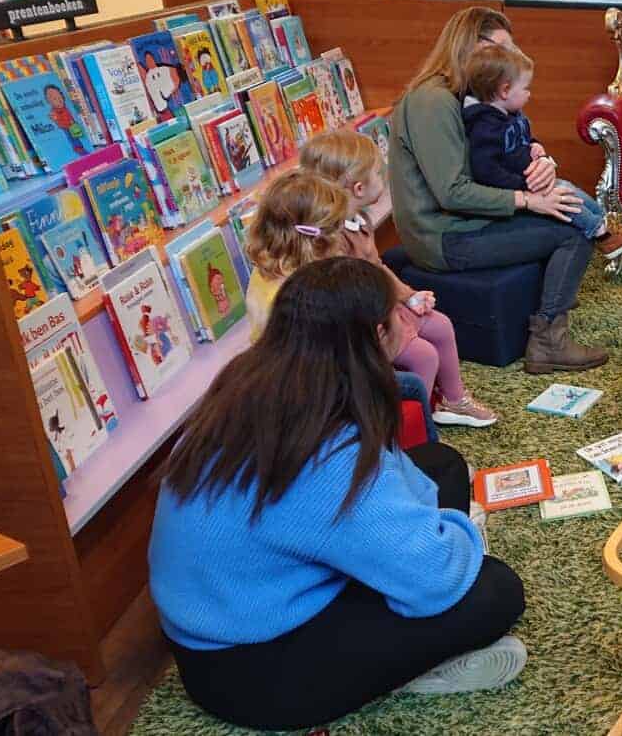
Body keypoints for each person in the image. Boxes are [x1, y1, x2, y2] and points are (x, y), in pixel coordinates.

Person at [149, 258, 526, 731]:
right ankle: (402, 673)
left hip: (236, 610)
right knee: (494, 589)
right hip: (252, 670)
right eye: (397, 315)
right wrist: (456, 538)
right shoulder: (330, 451)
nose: (407, 322)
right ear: (374, 334)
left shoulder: (256, 377)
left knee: (443, 464)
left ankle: (392, 595)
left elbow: (390, 476)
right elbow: (435, 575)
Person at [389, 6, 606, 374]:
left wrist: (543, 162)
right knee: (571, 232)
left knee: (564, 206)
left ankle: (550, 315)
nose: (508, 57)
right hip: (444, 236)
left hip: (469, 220)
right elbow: (452, 192)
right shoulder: (433, 101)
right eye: (501, 47)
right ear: (471, 45)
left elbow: (509, 140)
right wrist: (528, 200)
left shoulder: (471, 94)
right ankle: (548, 342)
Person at [245, 170, 496, 428]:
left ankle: (422, 419)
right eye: (335, 228)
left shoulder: (284, 265)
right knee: (421, 361)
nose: (341, 237)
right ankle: (401, 431)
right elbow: (331, 354)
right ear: (311, 236)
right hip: (317, 377)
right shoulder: (297, 293)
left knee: (426, 341)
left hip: (332, 354)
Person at [459, 44, 622, 259]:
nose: (529, 94)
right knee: (564, 197)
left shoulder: (510, 113)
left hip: (532, 181)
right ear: (505, 91)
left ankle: (606, 223)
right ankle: (603, 237)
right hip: (517, 191)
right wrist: (523, 188)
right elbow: (486, 170)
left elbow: (521, 137)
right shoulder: (485, 127)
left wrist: (534, 146)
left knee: (569, 188)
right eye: (525, 88)